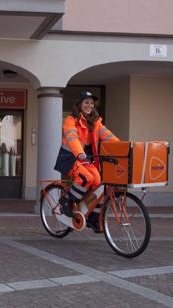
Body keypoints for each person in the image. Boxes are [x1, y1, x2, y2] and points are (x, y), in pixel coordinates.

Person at [54, 91, 119, 232]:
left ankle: (93, 219)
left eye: (91, 103)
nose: (89, 105)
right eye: (86, 102)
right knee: (86, 178)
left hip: (87, 159)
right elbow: (72, 138)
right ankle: (67, 200)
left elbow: (108, 136)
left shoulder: (95, 122)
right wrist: (80, 153)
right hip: (71, 157)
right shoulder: (70, 120)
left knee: (98, 183)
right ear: (80, 104)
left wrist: (124, 148)